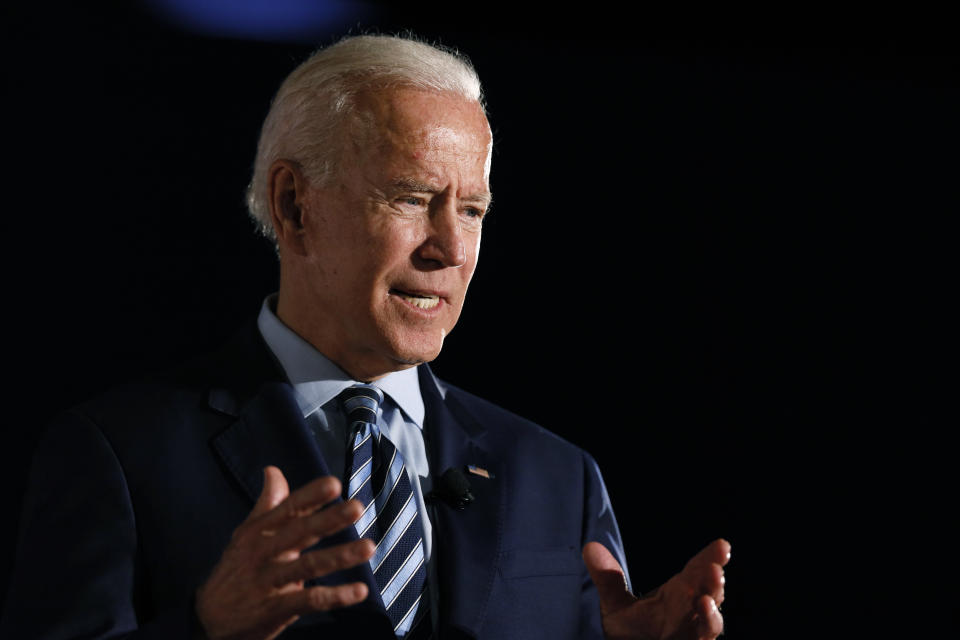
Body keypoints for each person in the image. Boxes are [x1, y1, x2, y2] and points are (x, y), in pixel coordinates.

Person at [1, 35, 729, 639]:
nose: (450, 248)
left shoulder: (558, 477)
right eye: (412, 198)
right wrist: (208, 627)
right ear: (294, 207)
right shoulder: (117, 454)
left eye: (471, 210)